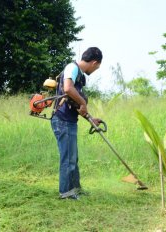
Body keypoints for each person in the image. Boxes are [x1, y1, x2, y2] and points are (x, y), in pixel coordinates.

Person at [51, 47, 103, 200]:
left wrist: (90, 118)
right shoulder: (72, 68)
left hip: (69, 120)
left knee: (73, 158)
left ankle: (75, 189)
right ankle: (66, 193)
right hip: (62, 120)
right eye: (97, 67)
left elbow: (76, 104)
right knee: (68, 158)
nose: (95, 70)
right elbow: (67, 89)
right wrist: (83, 102)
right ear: (94, 62)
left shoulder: (79, 75)